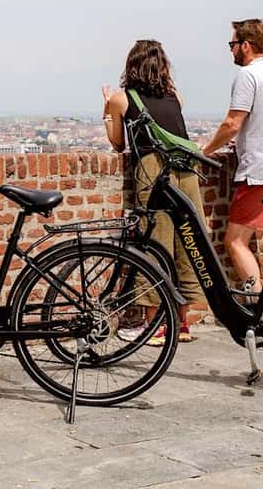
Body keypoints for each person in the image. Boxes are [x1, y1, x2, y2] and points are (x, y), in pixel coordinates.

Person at [103, 39, 206, 345]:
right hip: (186, 171)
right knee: (189, 241)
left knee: (155, 245)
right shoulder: (175, 97)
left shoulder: (124, 98)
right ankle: (182, 323)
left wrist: (107, 109)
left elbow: (118, 143)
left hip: (154, 171)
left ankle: (155, 326)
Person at [201, 19, 263, 289]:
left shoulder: (248, 75)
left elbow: (232, 123)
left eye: (233, 44)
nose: (231, 50)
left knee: (235, 240)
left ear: (245, 45)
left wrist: (207, 150)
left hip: (262, 171)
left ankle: (256, 306)